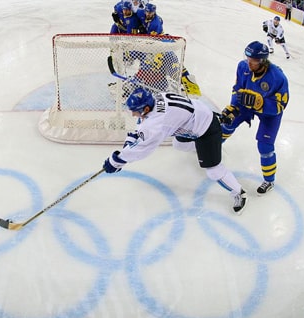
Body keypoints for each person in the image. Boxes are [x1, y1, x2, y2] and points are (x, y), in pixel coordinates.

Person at [103, 88, 248, 214]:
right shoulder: (156, 98)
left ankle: (239, 193)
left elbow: (143, 149)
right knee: (178, 144)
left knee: (213, 170)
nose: (134, 115)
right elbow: (142, 130)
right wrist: (130, 144)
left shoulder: (157, 123)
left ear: (146, 109)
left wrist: (116, 161)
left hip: (206, 130)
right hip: (196, 117)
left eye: (136, 111)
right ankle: (206, 149)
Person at [219, 41, 289, 195]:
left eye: (253, 61)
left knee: (265, 146)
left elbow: (281, 105)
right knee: (227, 123)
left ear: (263, 61)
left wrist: (262, 104)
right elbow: (237, 89)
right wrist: (233, 107)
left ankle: (269, 180)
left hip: (269, 113)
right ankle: (216, 145)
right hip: (246, 105)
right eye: (247, 58)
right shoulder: (243, 66)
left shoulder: (278, 77)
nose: (249, 63)